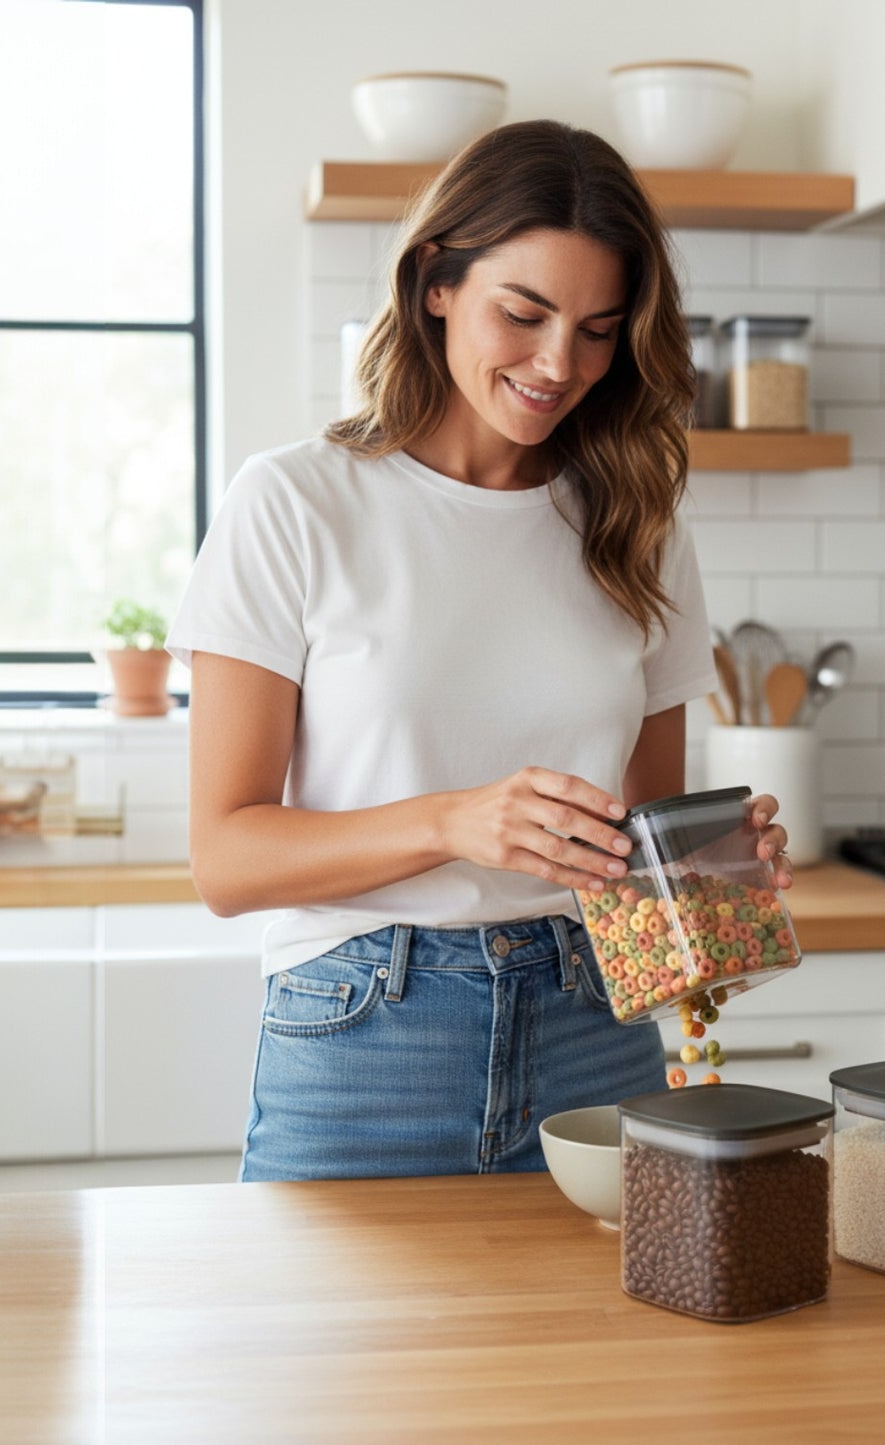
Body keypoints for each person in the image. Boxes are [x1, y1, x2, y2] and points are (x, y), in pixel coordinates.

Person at [166, 118, 791, 1182]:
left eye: (598, 329)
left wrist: (714, 878)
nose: (560, 364)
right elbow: (226, 860)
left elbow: (642, 856)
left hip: (595, 1028)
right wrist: (458, 820)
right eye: (525, 311)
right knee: (333, 1357)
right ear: (435, 283)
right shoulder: (299, 502)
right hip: (368, 1033)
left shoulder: (638, 522)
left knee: (596, 1353)